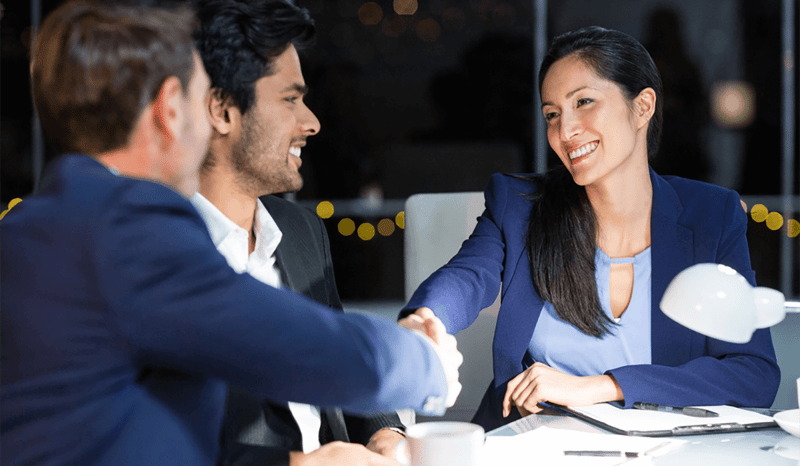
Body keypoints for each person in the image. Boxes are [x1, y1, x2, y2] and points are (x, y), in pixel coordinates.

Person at [0, 2, 461, 465]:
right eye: (197, 103)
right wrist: (426, 363)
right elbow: (296, 347)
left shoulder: (38, 226)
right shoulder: (124, 227)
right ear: (169, 110)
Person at [401, 26, 780, 431]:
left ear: (643, 106)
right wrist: (424, 319)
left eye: (584, 101)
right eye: (552, 114)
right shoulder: (519, 206)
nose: (565, 132)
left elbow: (753, 374)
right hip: (533, 445)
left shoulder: (712, 213)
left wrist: (602, 386)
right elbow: (465, 278)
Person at [191, 1, 410, 464]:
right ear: (223, 110)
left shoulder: (301, 231)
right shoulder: (153, 258)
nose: (311, 122)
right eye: (290, 100)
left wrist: (386, 432)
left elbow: (342, 367)